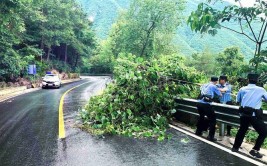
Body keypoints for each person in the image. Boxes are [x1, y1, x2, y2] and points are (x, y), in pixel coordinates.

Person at [232, 73, 267, 158]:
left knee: (242, 130)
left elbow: (238, 100)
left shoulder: (242, 89)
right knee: (264, 132)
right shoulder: (261, 90)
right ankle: (255, 150)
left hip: (244, 114)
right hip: (254, 115)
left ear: (248, 80)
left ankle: (235, 148)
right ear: (257, 81)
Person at [196, 76, 222, 141]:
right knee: (213, 120)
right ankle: (211, 136)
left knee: (201, 117)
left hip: (199, 103)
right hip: (206, 104)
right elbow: (220, 94)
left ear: (210, 79)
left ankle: (198, 132)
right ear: (216, 81)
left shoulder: (204, 85)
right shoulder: (213, 86)